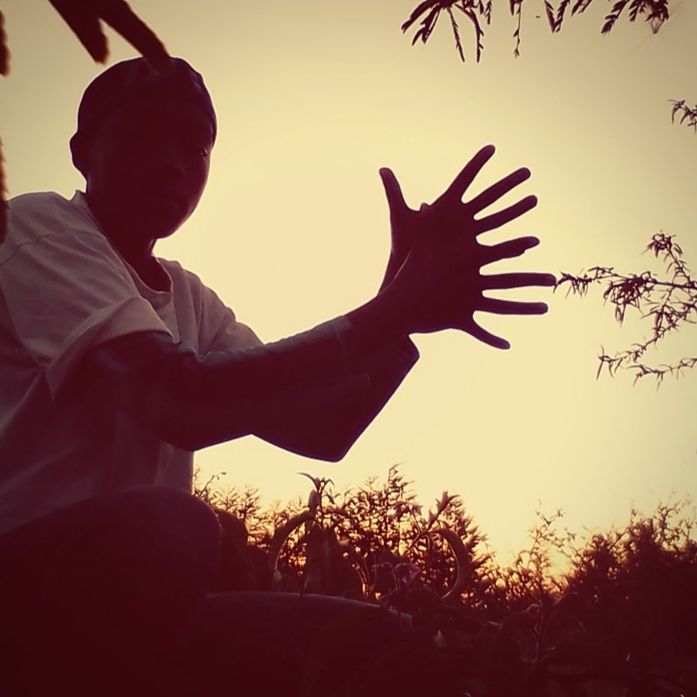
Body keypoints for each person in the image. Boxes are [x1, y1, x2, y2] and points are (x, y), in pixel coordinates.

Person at [0, 56, 554, 695]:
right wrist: (388, 311)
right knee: (173, 525)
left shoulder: (191, 297)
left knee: (372, 642)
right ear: (81, 151)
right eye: (147, 133)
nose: (175, 161)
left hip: (129, 608)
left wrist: (398, 310)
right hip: (24, 585)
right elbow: (180, 400)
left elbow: (323, 429)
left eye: (195, 146)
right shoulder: (37, 231)